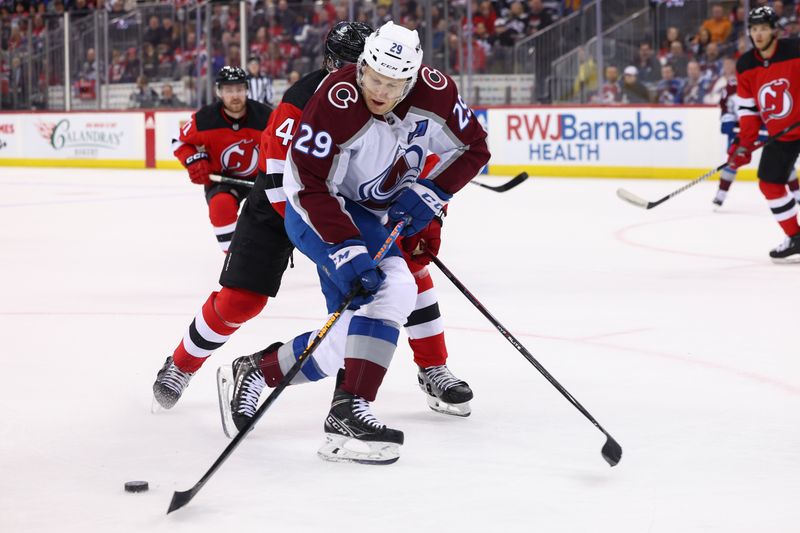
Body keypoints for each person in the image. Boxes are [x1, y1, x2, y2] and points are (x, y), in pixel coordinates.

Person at [237, 21, 490, 465]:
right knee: (394, 288)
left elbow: (474, 148)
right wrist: (344, 246)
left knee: (353, 332)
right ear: (363, 64)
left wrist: (430, 194)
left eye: (392, 84)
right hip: (315, 208)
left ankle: (260, 370)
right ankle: (349, 412)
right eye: (372, 76)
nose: (378, 90)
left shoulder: (436, 93)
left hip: (371, 214)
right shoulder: (336, 97)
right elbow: (308, 183)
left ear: (411, 80)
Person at [152, 23, 372, 410]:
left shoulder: (385, 95)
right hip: (278, 204)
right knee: (240, 302)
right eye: (352, 67)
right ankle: (183, 364)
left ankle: (356, 400)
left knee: (362, 305)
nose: (362, 77)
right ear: (332, 62)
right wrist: (316, 231)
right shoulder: (301, 98)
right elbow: (274, 176)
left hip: (339, 209)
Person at [164, 66, 271, 258]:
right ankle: (236, 258)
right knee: (221, 205)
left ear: (247, 89)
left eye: (239, 89)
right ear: (219, 92)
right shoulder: (204, 119)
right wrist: (194, 160)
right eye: (229, 91)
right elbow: (178, 141)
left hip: (261, 178)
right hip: (223, 180)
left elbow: (286, 144)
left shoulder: (266, 117)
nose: (235, 95)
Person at [727, 6, 800, 262]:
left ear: (775, 31)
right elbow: (748, 111)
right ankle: (795, 237)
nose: (758, 34)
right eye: (754, 29)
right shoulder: (746, 65)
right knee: (769, 183)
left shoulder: (796, 50)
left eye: (764, 28)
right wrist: (743, 144)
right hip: (782, 134)